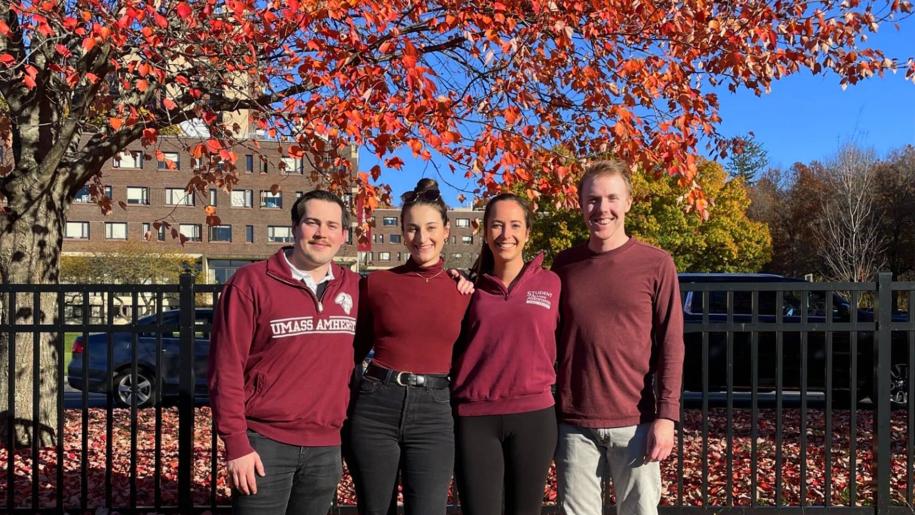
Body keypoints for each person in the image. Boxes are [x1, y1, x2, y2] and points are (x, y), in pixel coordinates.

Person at [208, 190, 360, 514]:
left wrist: (458, 280)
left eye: (332, 225)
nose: (322, 233)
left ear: (344, 236)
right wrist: (236, 445)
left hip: (325, 448)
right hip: (264, 444)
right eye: (312, 223)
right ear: (295, 226)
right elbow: (226, 370)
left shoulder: (356, 288)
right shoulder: (250, 283)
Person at [552, 160, 684, 515]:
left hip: (637, 422)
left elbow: (672, 344)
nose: (602, 209)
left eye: (612, 198)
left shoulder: (656, 264)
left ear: (628, 202)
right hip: (574, 423)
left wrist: (666, 417)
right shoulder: (563, 267)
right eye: (593, 199)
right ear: (580, 205)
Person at [348, 178, 472, 515]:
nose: (422, 238)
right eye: (412, 229)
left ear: (446, 230)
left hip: (434, 411)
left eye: (431, 227)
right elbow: (351, 352)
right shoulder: (378, 283)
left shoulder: (463, 290)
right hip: (377, 406)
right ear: (403, 233)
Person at [450, 193, 561, 515]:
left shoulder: (553, 283)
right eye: (496, 225)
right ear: (485, 232)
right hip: (475, 418)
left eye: (514, 225)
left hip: (534, 417)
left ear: (527, 232)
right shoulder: (467, 288)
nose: (505, 234)